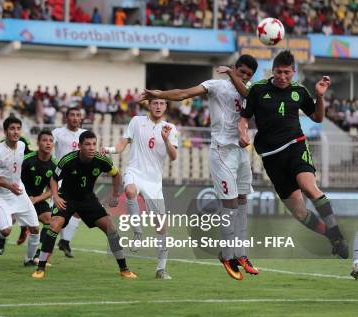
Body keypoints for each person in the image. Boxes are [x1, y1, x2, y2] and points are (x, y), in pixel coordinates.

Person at [137, 54, 259, 280]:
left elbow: (248, 96)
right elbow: (183, 93)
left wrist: (235, 77)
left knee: (243, 201)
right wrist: (159, 94)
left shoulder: (251, 91)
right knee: (230, 203)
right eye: (240, 71)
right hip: (222, 150)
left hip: (241, 151)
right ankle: (227, 254)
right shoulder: (216, 85)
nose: (244, 77)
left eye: (248, 75)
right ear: (234, 67)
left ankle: (241, 253)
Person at [240, 50, 348, 262]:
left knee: (309, 187)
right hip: (271, 156)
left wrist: (319, 95)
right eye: (279, 72)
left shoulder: (299, 90)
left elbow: (317, 117)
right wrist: (243, 133)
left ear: (294, 72)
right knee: (299, 213)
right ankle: (332, 236)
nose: (283, 77)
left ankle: (337, 232)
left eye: (287, 73)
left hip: (295, 146)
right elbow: (244, 119)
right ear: (273, 71)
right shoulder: (259, 90)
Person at [32, 131, 137, 279]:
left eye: (94, 144)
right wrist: (55, 196)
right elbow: (54, 179)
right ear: (80, 146)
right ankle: (40, 268)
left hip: (88, 200)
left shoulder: (102, 160)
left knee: (111, 228)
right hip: (67, 198)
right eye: (87, 144)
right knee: (55, 225)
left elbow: (115, 174)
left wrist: (115, 194)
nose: (92, 147)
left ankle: (124, 269)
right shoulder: (67, 160)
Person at [103, 98, 179, 280]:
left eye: (162, 103)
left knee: (161, 226)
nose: (158, 106)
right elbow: (123, 144)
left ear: (166, 106)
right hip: (135, 171)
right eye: (155, 103)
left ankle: (161, 269)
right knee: (129, 190)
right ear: (149, 105)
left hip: (154, 181)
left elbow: (174, 156)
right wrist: (110, 149)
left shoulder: (171, 128)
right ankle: (137, 232)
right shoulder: (137, 121)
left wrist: (166, 139)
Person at [0, 117, 40, 265]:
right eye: (12, 128)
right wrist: (8, 186)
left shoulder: (21, 145)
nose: (15, 132)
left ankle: (29, 260)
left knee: (34, 228)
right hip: (1, 194)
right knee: (6, 230)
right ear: (5, 131)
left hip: (19, 191)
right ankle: (1, 238)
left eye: (18, 128)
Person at [51, 107, 86, 258]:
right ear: (66, 117)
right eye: (72, 115)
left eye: (78, 115)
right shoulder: (57, 133)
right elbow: (50, 153)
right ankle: (43, 247)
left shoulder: (84, 135)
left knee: (78, 212)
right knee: (58, 213)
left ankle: (65, 241)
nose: (75, 117)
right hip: (60, 178)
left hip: (77, 180)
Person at [20, 129, 56, 266]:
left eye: (51, 141)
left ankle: (37, 255)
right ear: (38, 143)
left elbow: (51, 190)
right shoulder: (27, 160)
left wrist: (36, 199)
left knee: (50, 221)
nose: (48, 143)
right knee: (5, 228)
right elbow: (14, 178)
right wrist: (23, 195)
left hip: (37, 199)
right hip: (20, 198)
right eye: (45, 140)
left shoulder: (54, 165)